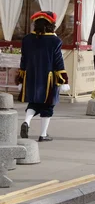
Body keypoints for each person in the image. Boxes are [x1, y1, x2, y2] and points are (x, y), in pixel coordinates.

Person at [17, 11, 68, 142]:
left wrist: (21, 78)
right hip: (48, 78)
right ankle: (43, 134)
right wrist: (63, 80)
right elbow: (58, 62)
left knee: (33, 102)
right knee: (48, 105)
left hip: (31, 76)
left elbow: (23, 60)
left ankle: (26, 122)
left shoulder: (27, 39)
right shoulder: (55, 41)